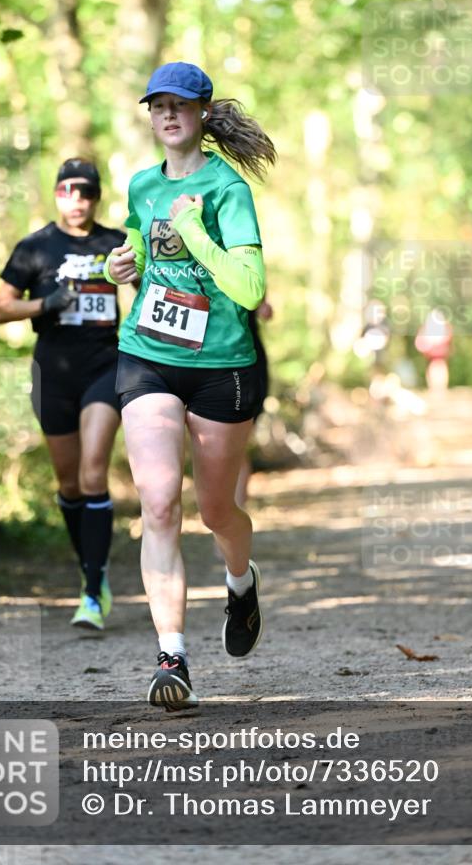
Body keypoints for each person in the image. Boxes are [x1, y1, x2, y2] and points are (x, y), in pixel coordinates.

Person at [105, 62, 276, 710]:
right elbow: (140, 255)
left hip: (221, 364)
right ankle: (170, 655)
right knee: (156, 503)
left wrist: (197, 230)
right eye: (157, 105)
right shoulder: (143, 185)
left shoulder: (227, 189)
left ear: (203, 113)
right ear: (149, 115)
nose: (168, 114)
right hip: (147, 354)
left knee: (214, 511)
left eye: (180, 104)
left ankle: (240, 582)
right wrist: (120, 262)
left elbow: (248, 288)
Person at [0, 158, 126, 631]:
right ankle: (92, 568)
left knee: (93, 473)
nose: (78, 201)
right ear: (56, 195)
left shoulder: (116, 243)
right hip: (54, 372)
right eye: (69, 191)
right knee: (69, 486)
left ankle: (92, 594)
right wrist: (44, 304)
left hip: (105, 369)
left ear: (96, 197)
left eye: (87, 192)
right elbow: (1, 309)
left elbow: (148, 287)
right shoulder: (35, 247)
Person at [234, 298, 273, 508]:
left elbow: (264, 308)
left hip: (247, 360)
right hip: (198, 360)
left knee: (238, 443)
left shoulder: (248, 264)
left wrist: (262, 307)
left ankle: (234, 515)